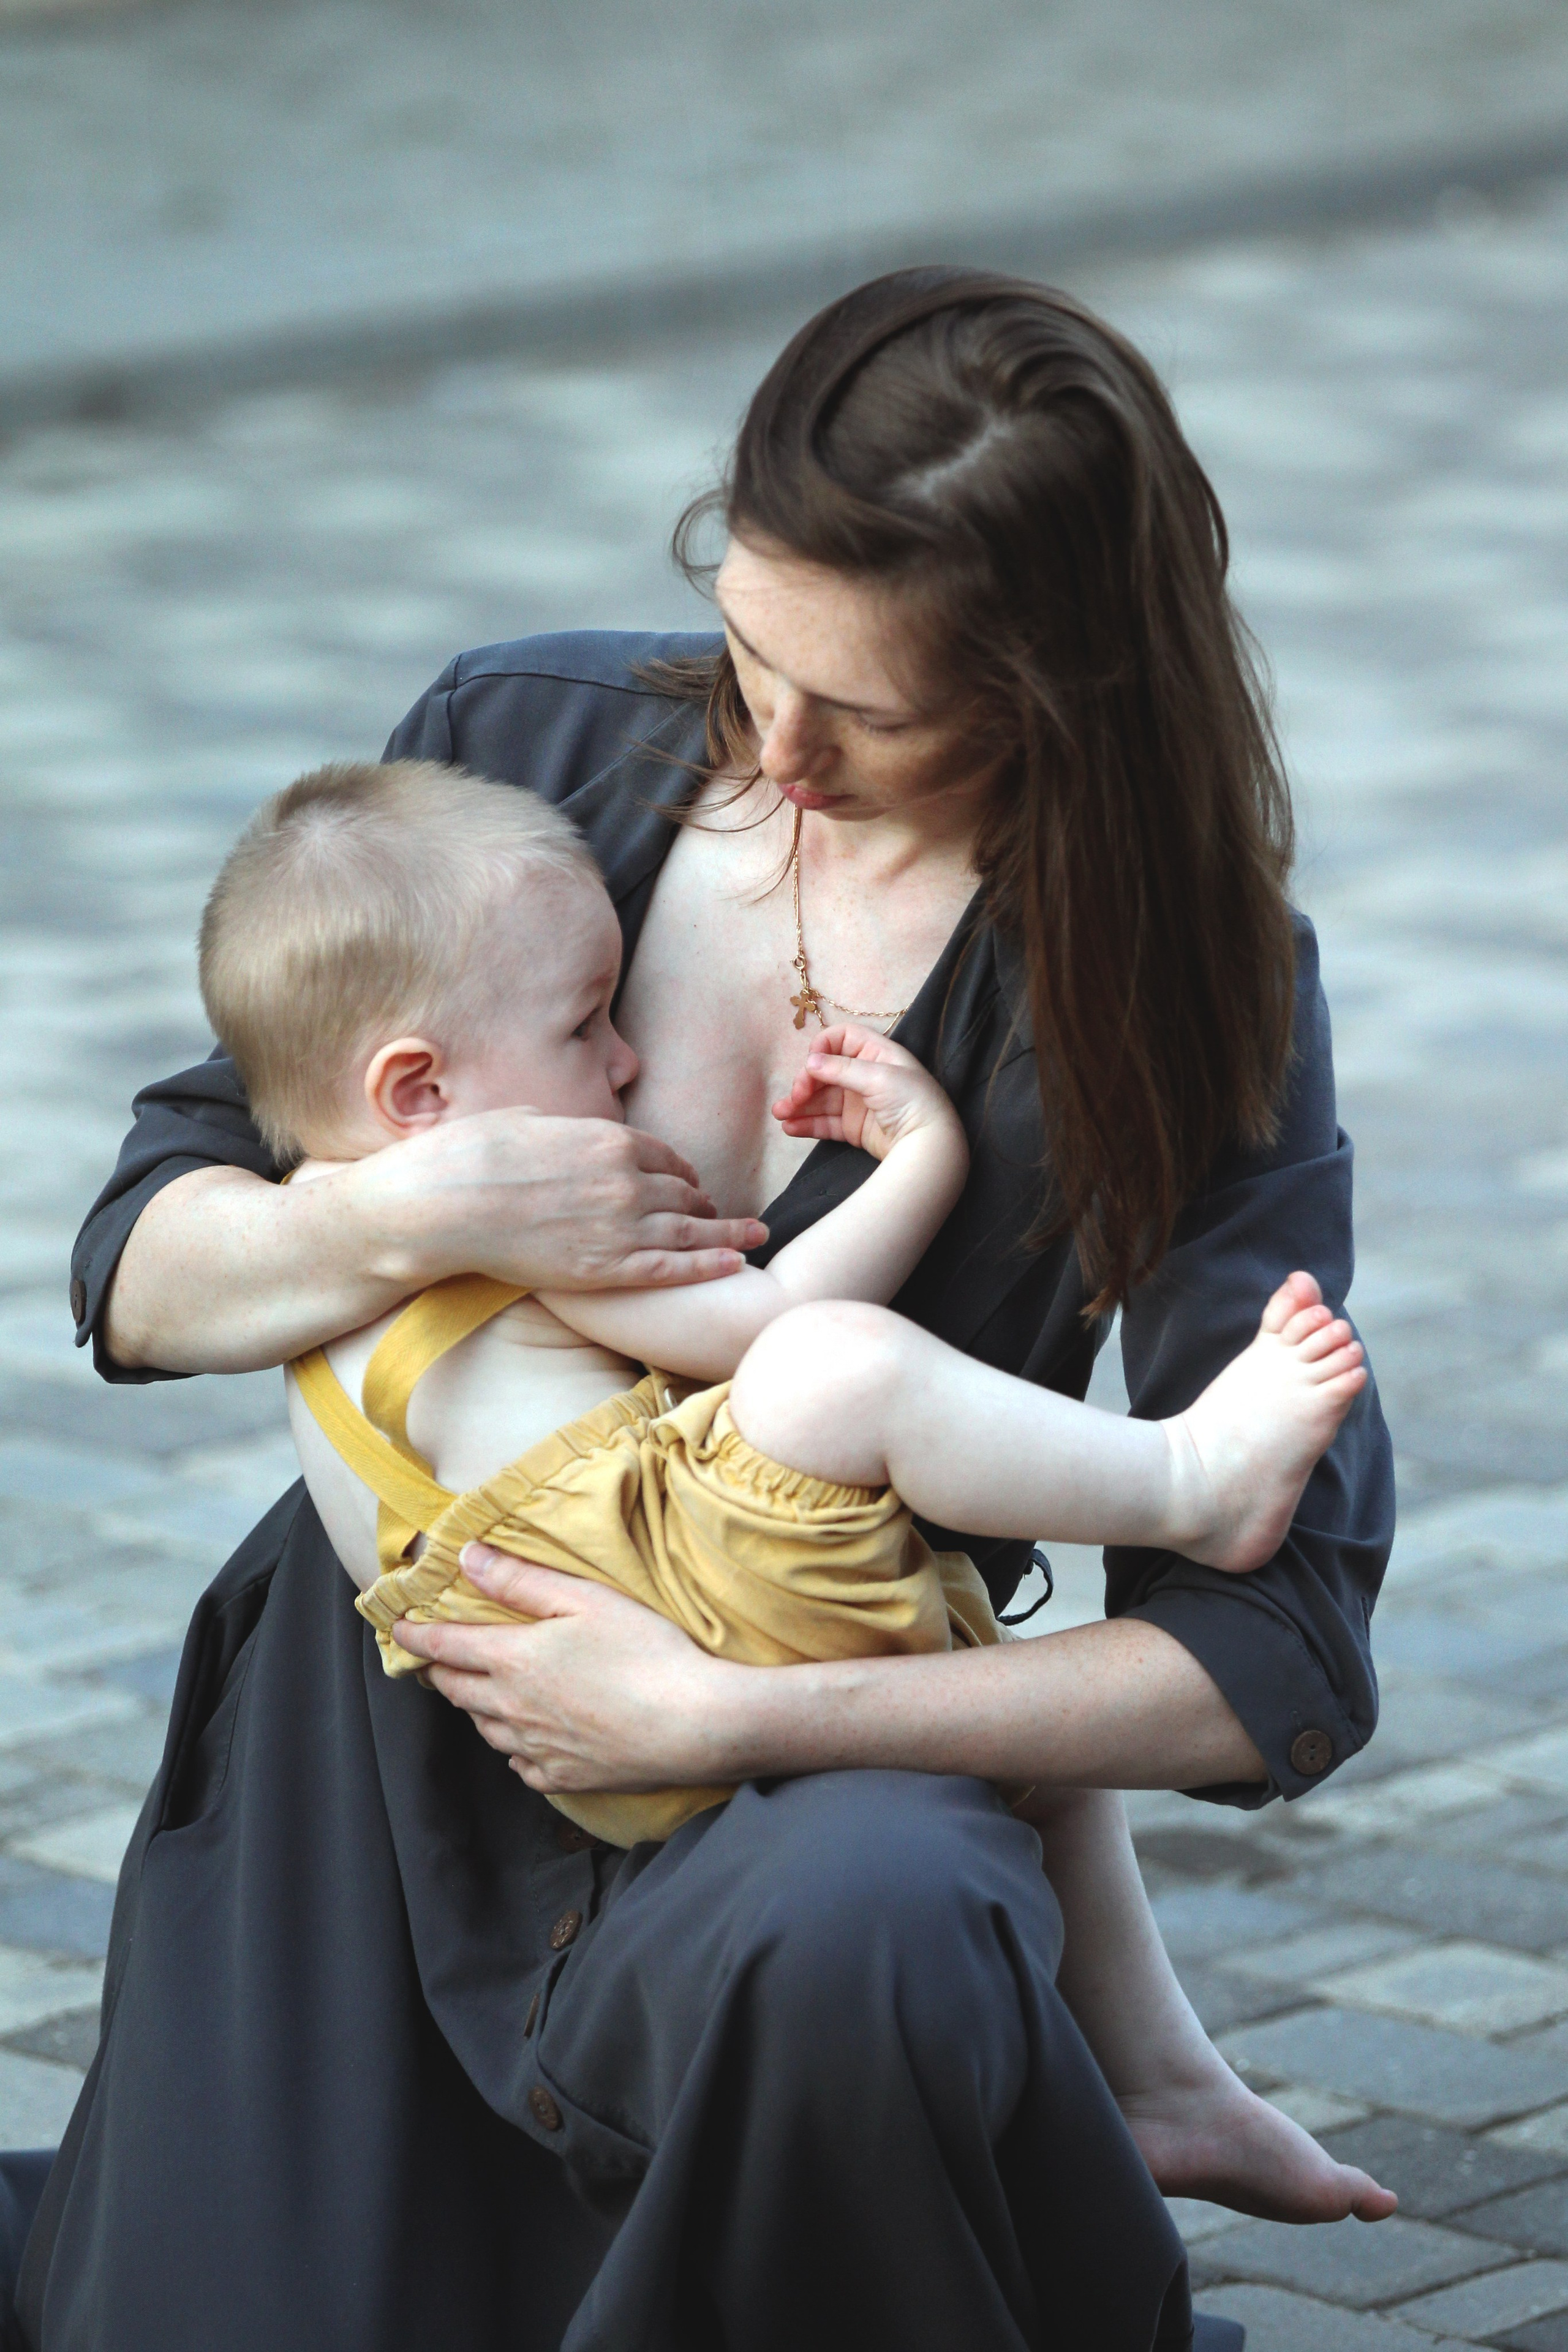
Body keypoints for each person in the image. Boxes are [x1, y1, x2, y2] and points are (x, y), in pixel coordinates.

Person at [17, 269, 1395, 2352]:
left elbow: (1270, 1652)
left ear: (1066, 689)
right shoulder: (522, 745)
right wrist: (430, 1203)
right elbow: (142, 1263)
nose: (779, 747)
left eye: (877, 710)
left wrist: (740, 1717)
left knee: (884, 1916)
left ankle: (1073, 2085)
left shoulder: (1192, 981)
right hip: (398, 1717)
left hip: (810, 1755)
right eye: (753, 651)